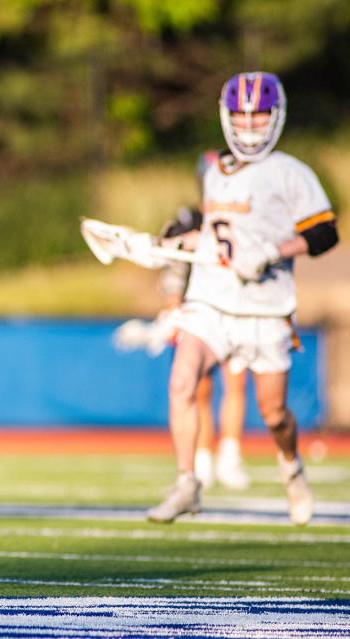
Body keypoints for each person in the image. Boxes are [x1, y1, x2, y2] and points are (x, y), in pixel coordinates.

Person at [146, 72, 339, 525]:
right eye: (241, 117)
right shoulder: (215, 172)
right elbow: (219, 237)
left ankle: (291, 467)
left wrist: (275, 249)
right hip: (213, 301)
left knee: (274, 414)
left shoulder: (292, 173)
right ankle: (187, 482)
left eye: (258, 117)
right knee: (182, 379)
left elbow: (325, 233)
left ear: (276, 117)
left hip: (265, 309)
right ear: (226, 117)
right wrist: (178, 242)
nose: (250, 126)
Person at [113, 152, 251, 491]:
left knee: (236, 383)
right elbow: (174, 268)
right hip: (200, 312)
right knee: (198, 388)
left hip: (237, 307)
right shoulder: (189, 218)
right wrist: (174, 304)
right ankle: (202, 457)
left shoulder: (246, 216)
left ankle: (230, 454)